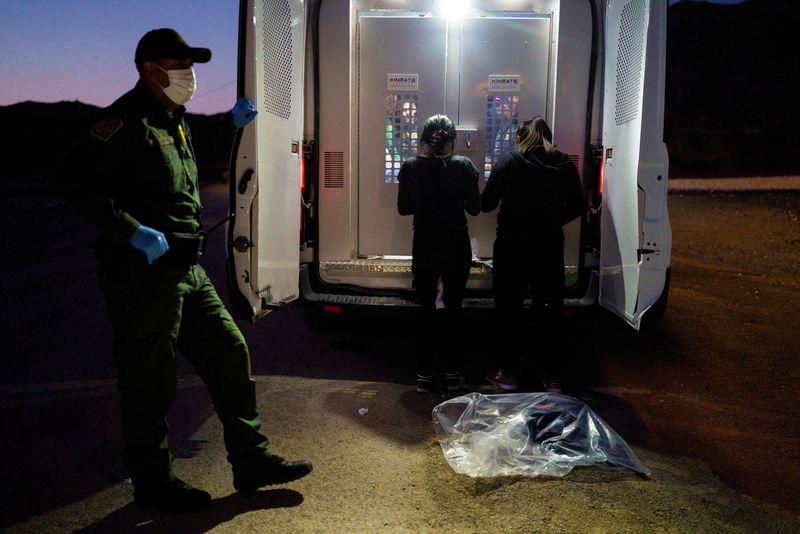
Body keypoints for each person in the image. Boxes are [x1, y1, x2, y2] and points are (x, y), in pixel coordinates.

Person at [51, 28, 311, 513]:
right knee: (149, 381)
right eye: (180, 66)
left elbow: (198, 140)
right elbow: (69, 177)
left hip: (188, 272)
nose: (189, 76)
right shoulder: (124, 122)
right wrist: (128, 229)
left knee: (230, 351)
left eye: (192, 66)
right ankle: (154, 483)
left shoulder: (175, 121)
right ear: (151, 70)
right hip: (143, 276)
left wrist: (232, 125)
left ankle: (251, 460)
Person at [480, 116, 585, 393]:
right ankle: (552, 378)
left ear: (520, 137)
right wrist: (550, 220)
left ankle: (509, 374)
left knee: (509, 310)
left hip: (512, 247)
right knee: (549, 312)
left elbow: (487, 204)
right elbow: (577, 206)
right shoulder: (563, 163)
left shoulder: (509, 162)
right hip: (549, 247)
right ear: (548, 136)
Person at [397, 114, 481, 393]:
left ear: (424, 138)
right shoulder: (464, 166)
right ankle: (452, 375)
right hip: (456, 244)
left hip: (424, 244)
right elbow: (475, 208)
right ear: (452, 140)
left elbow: (404, 208)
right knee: (454, 309)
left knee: (426, 309)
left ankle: (424, 375)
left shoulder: (410, 167)